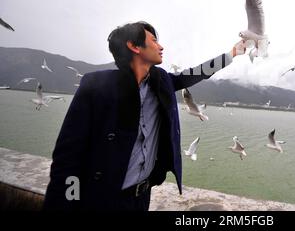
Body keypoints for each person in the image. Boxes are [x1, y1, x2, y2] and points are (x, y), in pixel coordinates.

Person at [43, 21, 246, 210]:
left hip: (141, 198)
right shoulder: (95, 86)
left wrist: (231, 54)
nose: (161, 46)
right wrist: (64, 204)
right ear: (134, 46)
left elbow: (194, 73)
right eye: (154, 40)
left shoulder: (163, 81)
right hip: (102, 199)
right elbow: (68, 157)